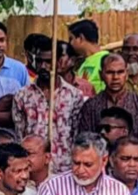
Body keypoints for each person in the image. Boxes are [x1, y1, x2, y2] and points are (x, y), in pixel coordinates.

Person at [12, 36, 86, 174]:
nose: (43, 67)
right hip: (32, 170)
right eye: (39, 61)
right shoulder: (22, 96)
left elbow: (77, 135)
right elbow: (19, 135)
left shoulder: (74, 95)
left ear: (58, 62)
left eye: (48, 62)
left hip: (64, 169)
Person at [75, 53, 138, 141]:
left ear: (126, 74)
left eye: (120, 72)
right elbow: (86, 140)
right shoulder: (90, 106)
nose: (115, 77)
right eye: (110, 72)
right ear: (101, 75)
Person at [68, 19, 107, 93]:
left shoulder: (106, 59)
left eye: (71, 39)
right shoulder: (83, 63)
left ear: (81, 38)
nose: (70, 43)